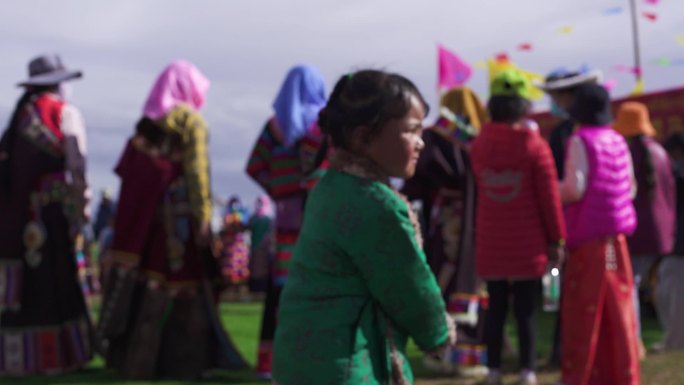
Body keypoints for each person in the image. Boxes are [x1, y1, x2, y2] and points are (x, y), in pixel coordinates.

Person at [272, 69, 456, 385]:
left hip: (300, 357)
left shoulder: (328, 188)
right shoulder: (376, 205)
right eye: (412, 131)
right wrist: (438, 334)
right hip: (345, 365)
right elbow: (410, 285)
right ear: (364, 137)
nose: (421, 143)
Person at [96, 60, 246, 380]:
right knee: (186, 289)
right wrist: (204, 217)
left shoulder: (146, 127)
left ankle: (136, 362)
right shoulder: (191, 122)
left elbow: (130, 175)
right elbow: (197, 173)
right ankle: (186, 364)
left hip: (148, 227)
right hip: (180, 223)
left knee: (152, 287)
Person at [470, 69, 566, 385]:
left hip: (491, 238)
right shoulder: (535, 146)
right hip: (528, 241)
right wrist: (557, 238)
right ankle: (527, 370)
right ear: (524, 107)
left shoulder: (479, 145)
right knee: (525, 308)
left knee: (495, 307)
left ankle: (493, 369)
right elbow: (549, 198)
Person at [0, 54, 92, 375]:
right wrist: (81, 211)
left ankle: (19, 359)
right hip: (51, 213)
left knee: (27, 285)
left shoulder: (19, 119)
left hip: (16, 218)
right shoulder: (64, 114)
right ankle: (58, 358)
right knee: (56, 279)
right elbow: (77, 168)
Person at [245, 64, 328, 378]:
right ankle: (312, 356)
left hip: (285, 217)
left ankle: (270, 363)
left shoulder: (274, 127)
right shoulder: (322, 126)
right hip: (317, 216)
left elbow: (254, 166)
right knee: (316, 283)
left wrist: (279, 190)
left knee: (281, 288)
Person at [402, 86, 488, 376]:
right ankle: (468, 357)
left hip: (445, 221)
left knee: (444, 278)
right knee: (471, 281)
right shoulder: (480, 141)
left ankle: (441, 353)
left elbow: (416, 179)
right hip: (479, 222)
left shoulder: (435, 137)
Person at [559, 83, 640, 385]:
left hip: (590, 243)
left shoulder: (580, 140)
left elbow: (574, 187)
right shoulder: (618, 140)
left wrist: (551, 190)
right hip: (614, 244)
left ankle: (585, 375)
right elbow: (629, 187)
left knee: (585, 309)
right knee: (616, 308)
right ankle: (620, 373)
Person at [537, 67, 602, 366]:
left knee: (577, 289)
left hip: (580, 232)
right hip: (610, 236)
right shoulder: (609, 136)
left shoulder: (571, 136)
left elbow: (571, 187)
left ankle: (573, 353)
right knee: (610, 286)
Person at [614, 102, 676, 358]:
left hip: (638, 235)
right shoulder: (659, 151)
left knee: (630, 289)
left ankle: (632, 341)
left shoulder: (631, 154)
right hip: (663, 234)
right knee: (655, 288)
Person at [657, 132, 684, 350]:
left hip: (679, 246)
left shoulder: (676, 175)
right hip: (676, 244)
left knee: (672, 292)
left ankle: (676, 340)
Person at [217, 196, 250, 294]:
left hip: (238, 247)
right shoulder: (227, 216)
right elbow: (224, 229)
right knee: (230, 268)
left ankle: (240, 288)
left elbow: (244, 228)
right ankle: (231, 288)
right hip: (230, 248)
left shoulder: (242, 215)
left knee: (240, 267)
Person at [248, 195, 274, 293]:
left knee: (261, 269)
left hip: (263, 248)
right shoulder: (256, 217)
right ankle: (256, 288)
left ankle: (260, 288)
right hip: (256, 247)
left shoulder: (267, 218)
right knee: (256, 268)